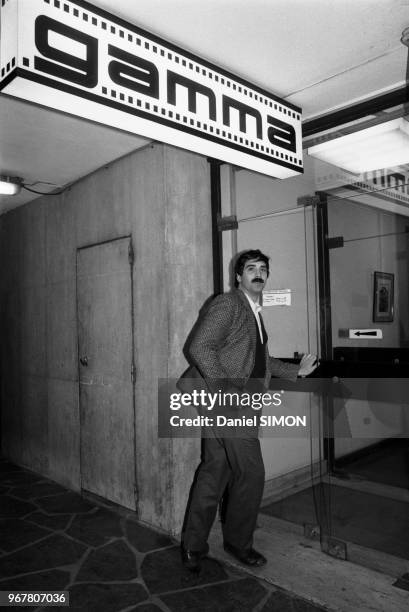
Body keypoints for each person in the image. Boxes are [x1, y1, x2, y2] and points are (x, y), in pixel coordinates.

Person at [180, 249, 318, 571]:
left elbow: (260, 361)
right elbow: (200, 346)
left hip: (234, 401)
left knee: (215, 471)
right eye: (251, 268)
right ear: (238, 276)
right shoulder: (230, 304)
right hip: (230, 402)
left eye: (263, 269)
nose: (258, 273)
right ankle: (238, 544)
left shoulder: (254, 311)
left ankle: (193, 546)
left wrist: (296, 370)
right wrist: (226, 392)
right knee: (252, 473)